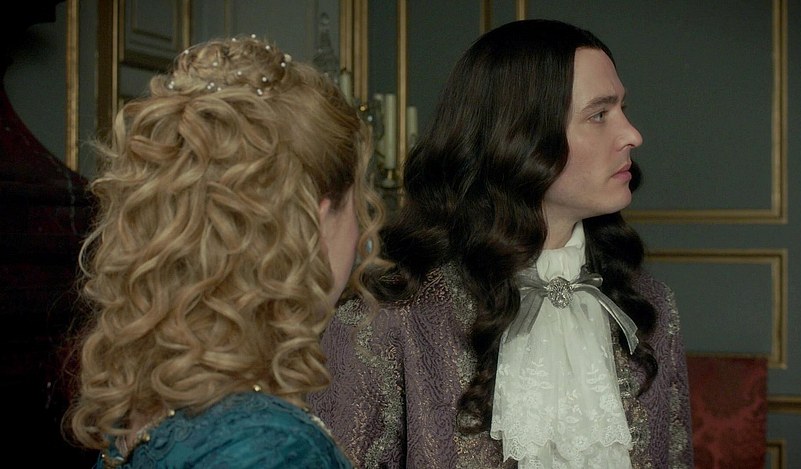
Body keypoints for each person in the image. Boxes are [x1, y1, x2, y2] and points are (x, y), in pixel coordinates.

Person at [309, 19, 694, 468]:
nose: (632, 135)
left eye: (622, 109)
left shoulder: (649, 309)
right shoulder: (388, 320)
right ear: (518, 136)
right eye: (599, 115)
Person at [64, 34, 384, 468]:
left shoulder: (142, 409)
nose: (362, 236)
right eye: (357, 207)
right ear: (313, 222)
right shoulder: (276, 449)